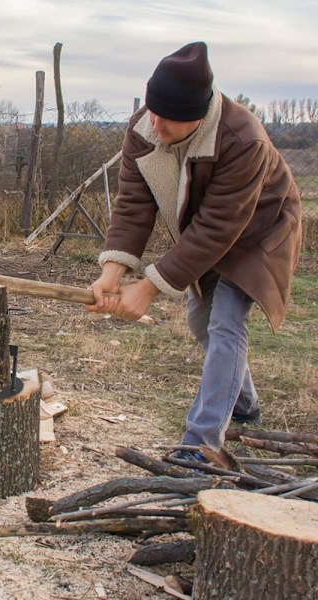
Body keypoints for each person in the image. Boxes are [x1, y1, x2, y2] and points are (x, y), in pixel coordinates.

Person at [87, 42, 302, 455]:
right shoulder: (143, 129)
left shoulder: (244, 139)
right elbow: (135, 202)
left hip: (261, 231)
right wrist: (112, 271)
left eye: (168, 120)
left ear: (199, 117)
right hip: (211, 229)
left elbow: (217, 229)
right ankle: (243, 403)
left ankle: (200, 443)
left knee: (226, 321)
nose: (156, 125)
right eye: (153, 112)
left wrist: (148, 288)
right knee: (201, 322)